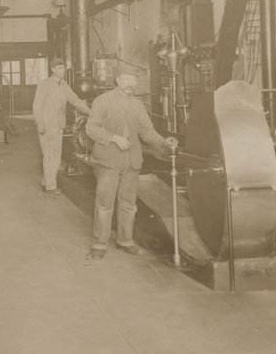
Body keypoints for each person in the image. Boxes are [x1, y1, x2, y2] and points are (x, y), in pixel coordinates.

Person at [85, 68, 177, 259]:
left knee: (128, 203)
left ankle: (125, 240)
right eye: (126, 79)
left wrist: (163, 142)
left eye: (133, 80)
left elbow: (147, 132)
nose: (130, 84)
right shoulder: (103, 101)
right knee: (105, 204)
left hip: (131, 161)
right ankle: (99, 243)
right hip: (108, 160)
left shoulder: (138, 105)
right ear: (117, 80)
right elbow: (91, 128)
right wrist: (114, 138)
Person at [32, 57, 90, 193]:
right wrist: (40, 123)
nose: (62, 70)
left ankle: (46, 181)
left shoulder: (63, 85)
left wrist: (90, 111)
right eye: (58, 68)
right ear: (52, 70)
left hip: (58, 125)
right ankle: (51, 187)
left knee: (55, 156)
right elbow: (37, 106)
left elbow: (75, 100)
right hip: (47, 125)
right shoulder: (44, 84)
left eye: (63, 67)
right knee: (50, 156)